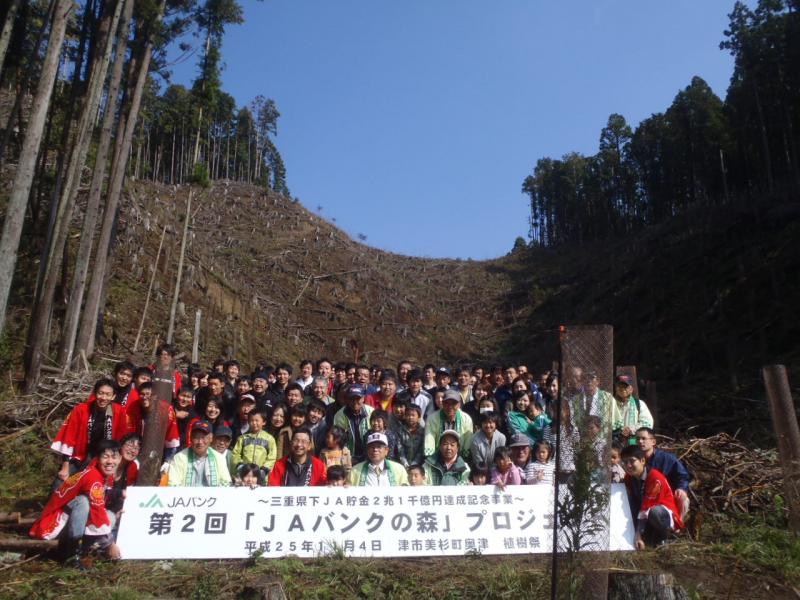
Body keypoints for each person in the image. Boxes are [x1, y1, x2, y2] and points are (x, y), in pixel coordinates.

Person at [30, 439, 123, 564]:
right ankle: (72, 554)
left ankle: (86, 550)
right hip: (56, 522)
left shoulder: (101, 473)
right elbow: (97, 509)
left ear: (120, 459)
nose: (110, 461)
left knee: (110, 516)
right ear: (97, 458)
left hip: (73, 518)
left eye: (114, 457)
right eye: (105, 457)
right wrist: (110, 544)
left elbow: (100, 501)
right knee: (83, 502)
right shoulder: (93, 477)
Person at [51, 378, 130, 483]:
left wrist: (117, 465)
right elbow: (69, 437)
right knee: (59, 484)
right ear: (95, 393)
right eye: (100, 393)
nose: (103, 398)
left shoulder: (119, 412)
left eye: (107, 394)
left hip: (105, 458)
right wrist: (65, 466)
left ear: (113, 396)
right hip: (81, 456)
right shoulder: (81, 410)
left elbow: (121, 439)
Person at [621, 445, 684, 549]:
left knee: (654, 511)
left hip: (663, 513)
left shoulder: (655, 478)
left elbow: (647, 506)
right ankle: (647, 534)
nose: (628, 465)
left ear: (642, 461)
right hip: (644, 511)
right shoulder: (629, 477)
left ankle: (663, 538)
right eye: (624, 462)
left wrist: (638, 533)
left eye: (632, 461)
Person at [635, 427, 691, 519]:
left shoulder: (667, 458)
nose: (640, 441)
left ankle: (677, 523)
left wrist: (681, 488)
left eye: (644, 438)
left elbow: (682, 475)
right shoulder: (634, 461)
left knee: (683, 498)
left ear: (653, 442)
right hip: (644, 496)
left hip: (665, 496)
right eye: (637, 439)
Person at [168, 420, 232, 487]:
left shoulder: (219, 458)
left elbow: (226, 483)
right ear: (191, 438)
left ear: (211, 438)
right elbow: (173, 484)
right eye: (196, 437)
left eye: (203, 438)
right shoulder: (179, 458)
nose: (200, 442)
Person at [423, 389, 473, 459]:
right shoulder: (432, 418)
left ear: (459, 404)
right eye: (447, 403)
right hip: (437, 457)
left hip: (459, 457)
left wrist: (463, 459)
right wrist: (432, 460)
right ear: (442, 403)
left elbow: (467, 442)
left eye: (453, 403)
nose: (450, 406)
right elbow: (429, 441)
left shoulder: (466, 419)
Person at [333, 384, 374, 464]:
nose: (355, 402)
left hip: (369, 455)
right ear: (347, 399)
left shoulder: (371, 412)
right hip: (348, 456)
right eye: (352, 399)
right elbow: (339, 439)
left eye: (358, 398)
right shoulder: (340, 415)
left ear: (363, 398)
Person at [613, 375, 653, 445]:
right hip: (614, 440)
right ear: (616, 388)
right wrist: (619, 431)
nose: (623, 389)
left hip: (633, 440)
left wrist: (631, 429)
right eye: (620, 386)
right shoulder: (610, 403)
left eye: (625, 386)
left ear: (631, 389)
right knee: (615, 454)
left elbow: (647, 423)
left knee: (632, 452)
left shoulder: (639, 404)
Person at [396, 403, 425, 468]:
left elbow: (421, 450)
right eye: (408, 415)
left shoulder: (423, 431)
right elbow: (400, 449)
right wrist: (405, 462)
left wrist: (415, 463)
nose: (410, 417)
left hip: (419, 465)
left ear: (419, 417)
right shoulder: (400, 430)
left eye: (413, 415)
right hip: (403, 464)